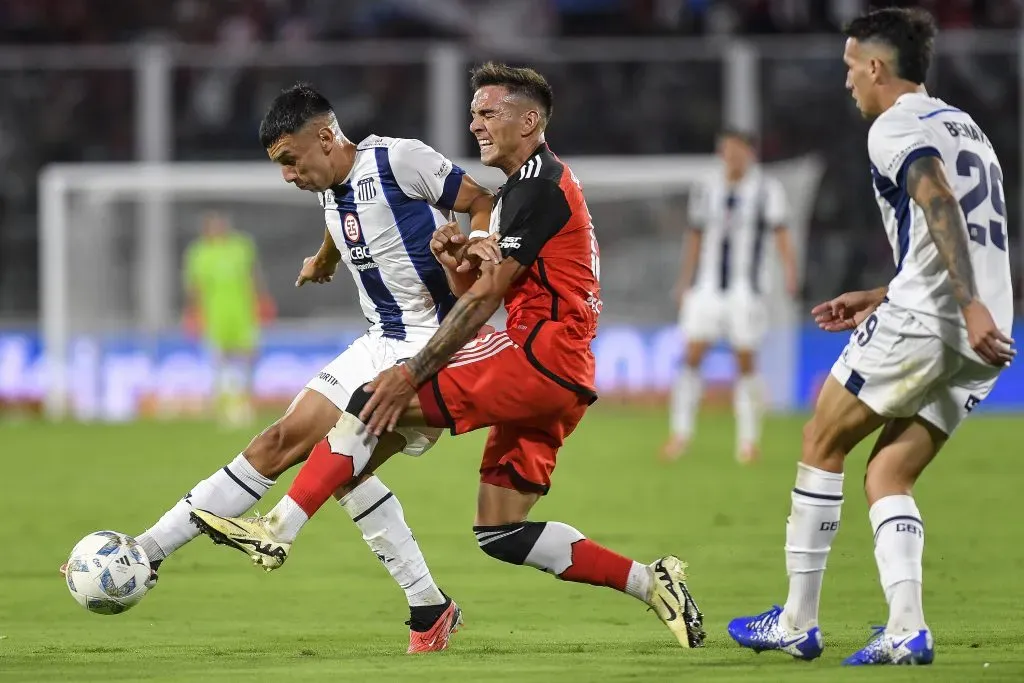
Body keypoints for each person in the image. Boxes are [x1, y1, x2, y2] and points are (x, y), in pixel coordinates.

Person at [191, 62, 707, 650]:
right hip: (564, 372)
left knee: (372, 398)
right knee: (501, 531)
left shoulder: (538, 183)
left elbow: (485, 299)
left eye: (489, 113)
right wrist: (457, 250)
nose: (476, 124)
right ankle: (651, 582)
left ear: (529, 120)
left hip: (537, 355)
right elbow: (486, 279)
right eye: (474, 113)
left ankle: (278, 529)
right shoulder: (524, 188)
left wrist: (413, 369)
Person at [136, 83, 494, 654]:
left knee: (336, 461)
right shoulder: (329, 182)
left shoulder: (399, 158)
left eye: (289, 161)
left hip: (438, 344)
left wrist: (475, 251)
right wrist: (324, 259)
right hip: (381, 341)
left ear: (326, 138)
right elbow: (343, 215)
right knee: (288, 444)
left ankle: (281, 534)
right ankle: (144, 553)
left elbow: (478, 197)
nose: (286, 175)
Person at [728, 8, 1014, 665]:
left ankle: (797, 621)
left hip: (937, 318)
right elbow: (960, 228)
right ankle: (906, 627)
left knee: (820, 439)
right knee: (889, 471)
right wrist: (887, 293)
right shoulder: (964, 126)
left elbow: (938, 201)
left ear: (878, 67)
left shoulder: (895, 125)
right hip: (985, 335)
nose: (848, 81)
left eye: (852, 67)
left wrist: (956, 303)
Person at [664, 129, 798, 464]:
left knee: (745, 362)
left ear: (750, 153)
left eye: (737, 150)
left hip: (746, 291)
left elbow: (781, 234)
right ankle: (680, 435)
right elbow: (695, 236)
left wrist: (791, 273)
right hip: (707, 288)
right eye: (725, 150)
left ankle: (749, 442)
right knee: (692, 356)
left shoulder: (768, 190)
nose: (731, 156)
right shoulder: (707, 188)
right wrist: (684, 282)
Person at [182, 211, 272, 427]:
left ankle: (247, 403)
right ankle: (221, 407)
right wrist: (193, 313)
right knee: (218, 361)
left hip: (243, 313)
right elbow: (195, 286)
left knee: (249, 358)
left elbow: (253, 275)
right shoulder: (199, 252)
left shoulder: (241, 246)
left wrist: (262, 300)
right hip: (214, 315)